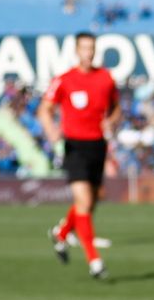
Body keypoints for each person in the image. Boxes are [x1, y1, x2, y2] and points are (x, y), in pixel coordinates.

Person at [37, 31, 120, 279]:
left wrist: (112, 122)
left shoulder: (106, 78)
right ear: (76, 50)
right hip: (74, 146)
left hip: (97, 145)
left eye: (92, 48)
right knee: (84, 202)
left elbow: (116, 110)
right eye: (84, 48)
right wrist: (51, 129)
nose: (89, 52)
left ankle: (61, 234)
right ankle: (94, 261)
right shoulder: (64, 80)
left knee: (90, 202)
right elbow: (44, 109)